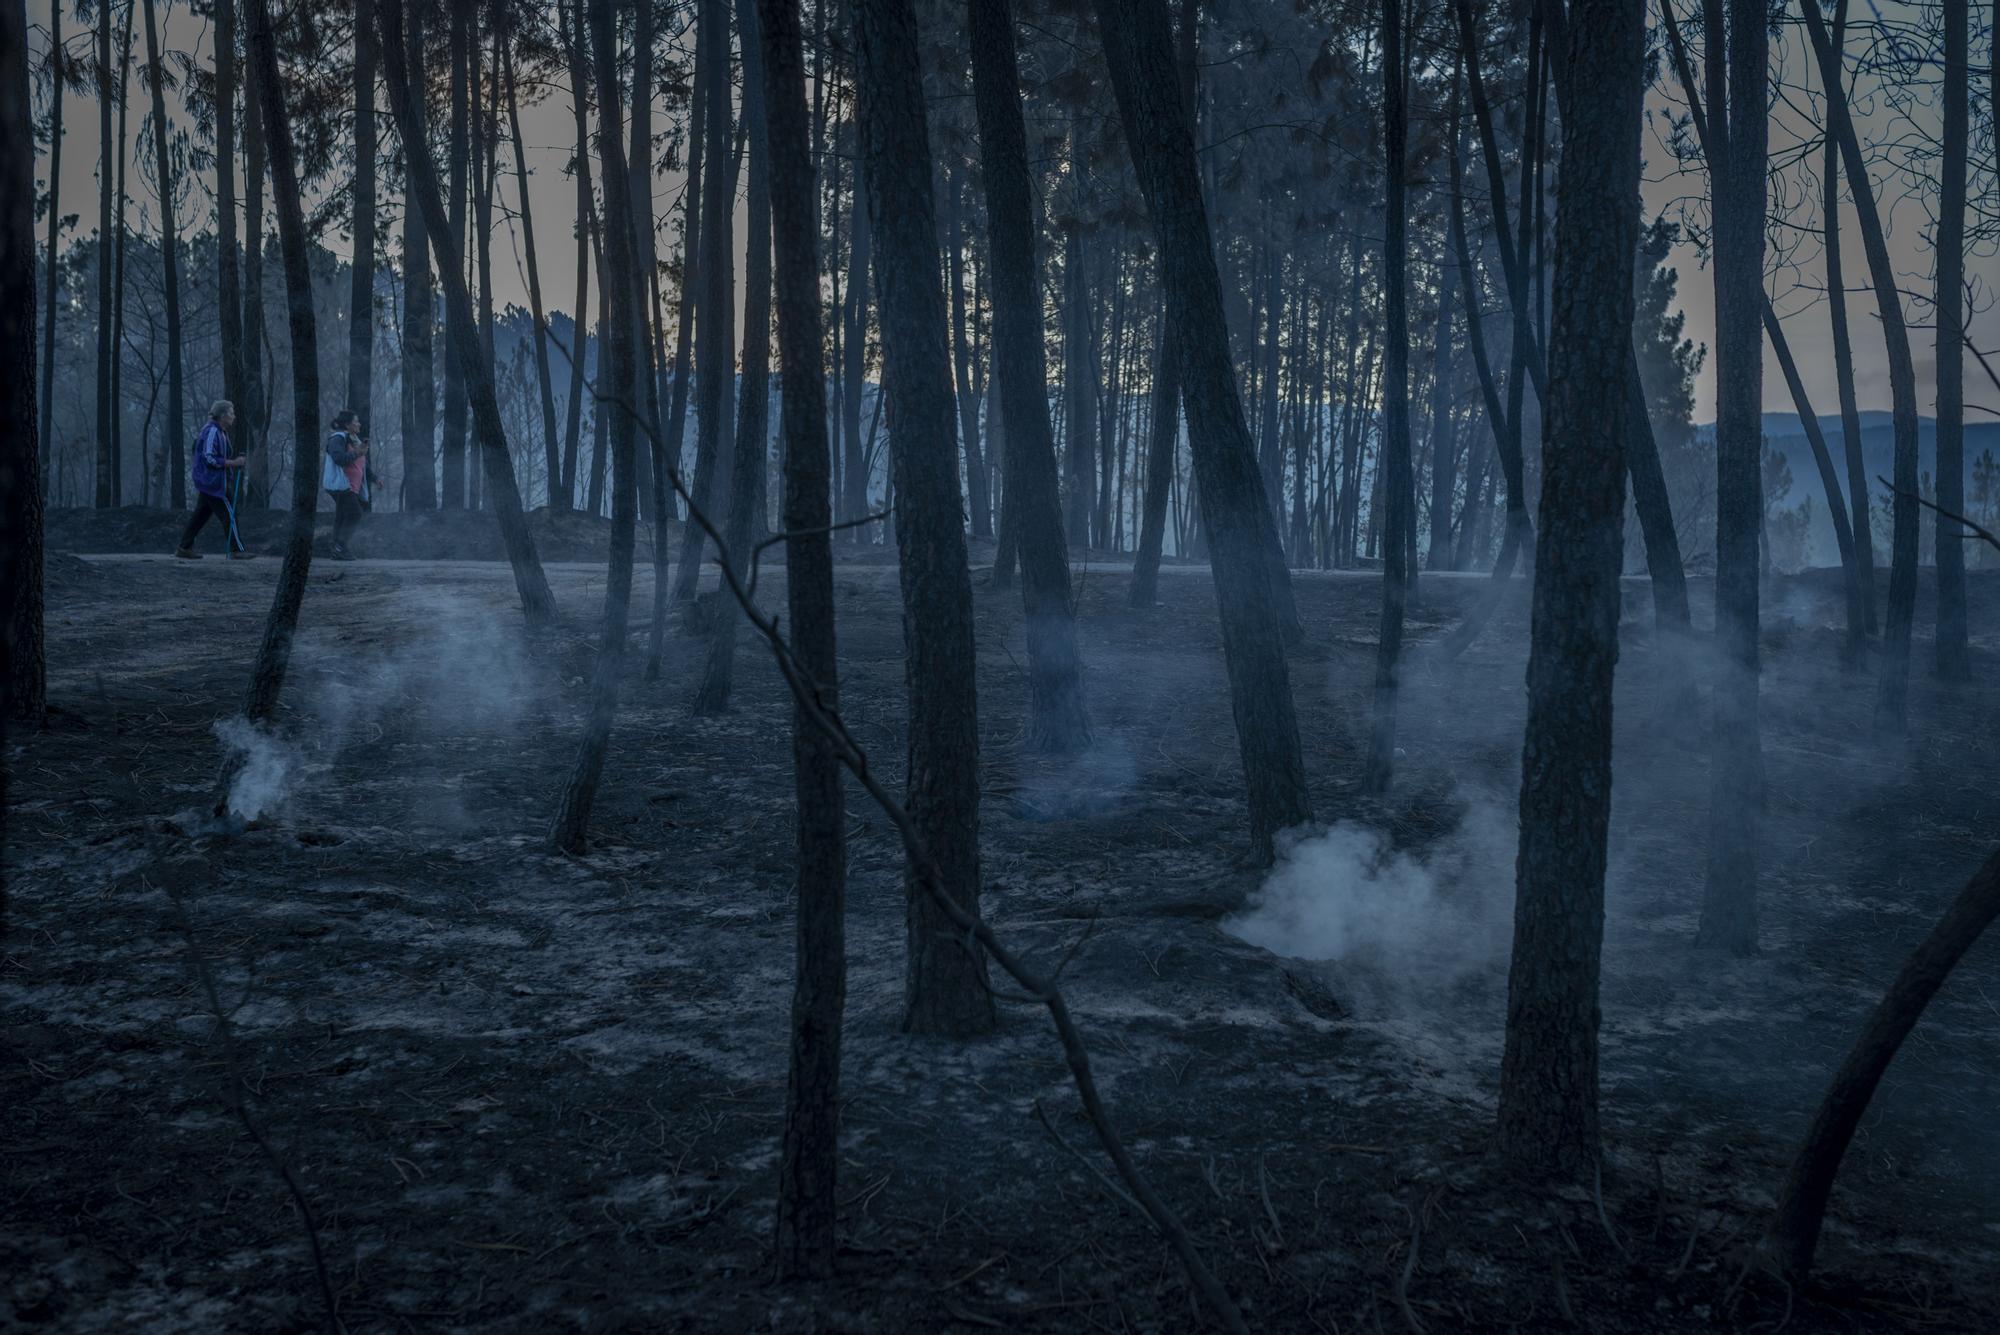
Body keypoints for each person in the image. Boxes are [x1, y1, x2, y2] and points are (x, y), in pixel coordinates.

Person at [175, 399, 252, 559]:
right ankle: (236, 550)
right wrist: (233, 463)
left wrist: (232, 463)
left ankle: (184, 547)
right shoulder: (212, 431)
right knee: (229, 514)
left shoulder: (220, 432)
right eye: (231, 413)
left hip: (210, 482)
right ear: (222, 415)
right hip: (213, 484)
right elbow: (209, 458)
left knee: (200, 516)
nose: (234, 416)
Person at [322, 410, 376, 560]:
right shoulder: (337, 439)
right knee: (355, 513)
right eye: (356, 421)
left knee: (342, 515)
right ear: (347, 425)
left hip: (351, 486)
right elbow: (339, 458)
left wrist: (375, 478)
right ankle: (340, 546)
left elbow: (363, 465)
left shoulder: (355, 440)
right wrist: (357, 453)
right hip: (341, 484)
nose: (359, 424)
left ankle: (336, 548)